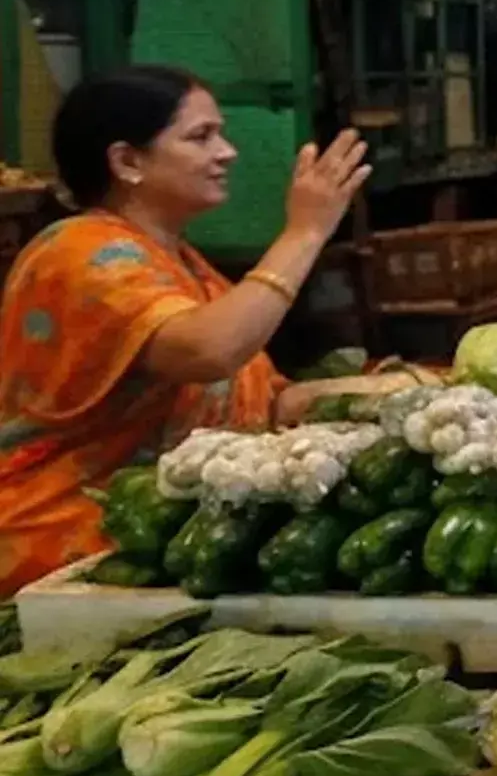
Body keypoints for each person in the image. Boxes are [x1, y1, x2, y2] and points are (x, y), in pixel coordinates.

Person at [0, 68, 369, 596]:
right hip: (70, 551)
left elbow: (258, 402)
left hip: (159, 539)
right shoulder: (78, 253)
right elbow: (209, 352)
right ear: (127, 161)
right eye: (201, 137)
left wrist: (393, 394)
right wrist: (306, 232)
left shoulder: (183, 265)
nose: (227, 152)